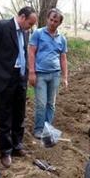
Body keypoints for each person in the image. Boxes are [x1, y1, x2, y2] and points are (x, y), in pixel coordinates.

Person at [0, 6, 37, 168]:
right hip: (5, 78)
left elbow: (23, 52)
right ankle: (5, 151)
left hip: (20, 78)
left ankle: (17, 146)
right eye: (29, 23)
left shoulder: (26, 32)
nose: (31, 27)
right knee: (4, 116)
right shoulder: (2, 27)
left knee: (19, 115)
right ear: (22, 17)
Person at [28, 8, 68, 139]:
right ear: (47, 19)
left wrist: (65, 77)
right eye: (51, 19)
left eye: (55, 21)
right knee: (41, 103)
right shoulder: (38, 34)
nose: (52, 23)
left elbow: (63, 58)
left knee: (51, 104)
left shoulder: (61, 39)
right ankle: (38, 129)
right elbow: (31, 53)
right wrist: (31, 72)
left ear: (59, 23)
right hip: (40, 74)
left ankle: (47, 129)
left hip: (55, 75)